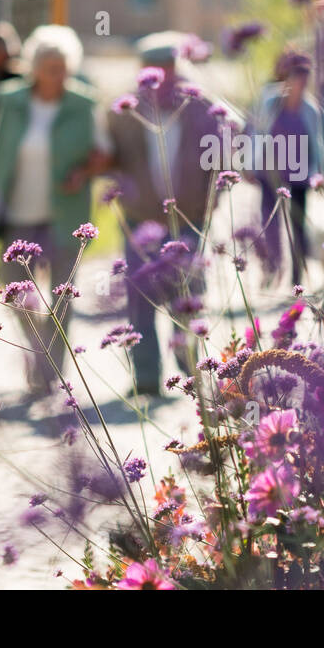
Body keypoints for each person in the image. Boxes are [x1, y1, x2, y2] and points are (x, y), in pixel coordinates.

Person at [0, 25, 108, 396]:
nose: (56, 73)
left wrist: (84, 171)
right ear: (33, 66)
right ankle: (42, 351)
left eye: (61, 67)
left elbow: (103, 152)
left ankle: (49, 374)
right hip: (18, 214)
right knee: (14, 290)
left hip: (65, 215)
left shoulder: (83, 104)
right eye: (48, 66)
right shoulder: (10, 100)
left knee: (61, 297)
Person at [105, 33, 223, 397]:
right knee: (140, 295)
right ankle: (146, 379)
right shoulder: (125, 110)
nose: (163, 77)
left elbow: (218, 159)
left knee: (187, 293)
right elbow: (112, 156)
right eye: (154, 70)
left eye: (170, 68)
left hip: (188, 216)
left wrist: (213, 198)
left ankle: (191, 368)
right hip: (140, 217)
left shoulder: (201, 105)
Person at [249, 50, 324, 287]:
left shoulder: (311, 109)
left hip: (299, 175)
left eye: (306, 78)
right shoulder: (269, 102)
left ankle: (298, 274)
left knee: (298, 225)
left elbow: (318, 143)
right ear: (287, 78)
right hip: (270, 174)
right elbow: (256, 134)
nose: (301, 83)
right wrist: (249, 166)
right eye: (297, 77)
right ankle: (273, 268)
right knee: (270, 224)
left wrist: (319, 172)